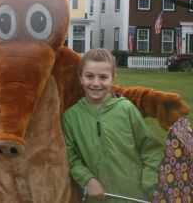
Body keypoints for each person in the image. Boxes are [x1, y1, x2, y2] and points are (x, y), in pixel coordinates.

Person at [62, 48, 163, 203]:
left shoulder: (126, 109)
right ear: (81, 78)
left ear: (112, 79)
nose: (96, 83)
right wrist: (87, 180)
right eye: (89, 76)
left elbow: (150, 148)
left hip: (136, 196)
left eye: (103, 77)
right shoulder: (70, 117)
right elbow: (72, 158)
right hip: (98, 199)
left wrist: (149, 183)